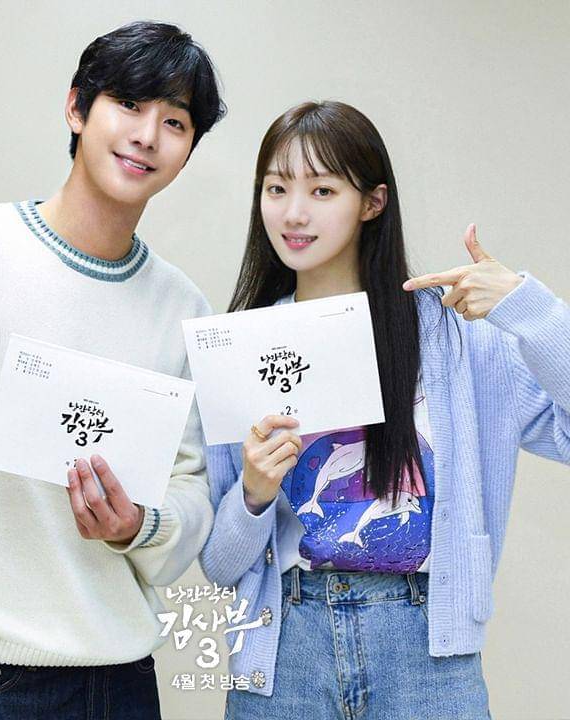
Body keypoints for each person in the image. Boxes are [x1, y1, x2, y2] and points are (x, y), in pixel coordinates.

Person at [0, 20, 225, 720]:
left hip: (123, 683)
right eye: (129, 104)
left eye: (175, 122)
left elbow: (192, 493)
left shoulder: (181, 307)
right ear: (77, 108)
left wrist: (135, 524)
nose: (148, 135)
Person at [200, 100, 569, 719]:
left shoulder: (455, 338)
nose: (293, 213)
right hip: (285, 652)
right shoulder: (244, 347)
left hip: (426, 653)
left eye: (322, 190)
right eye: (276, 188)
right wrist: (254, 494)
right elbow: (220, 565)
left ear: (372, 203)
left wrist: (526, 308)